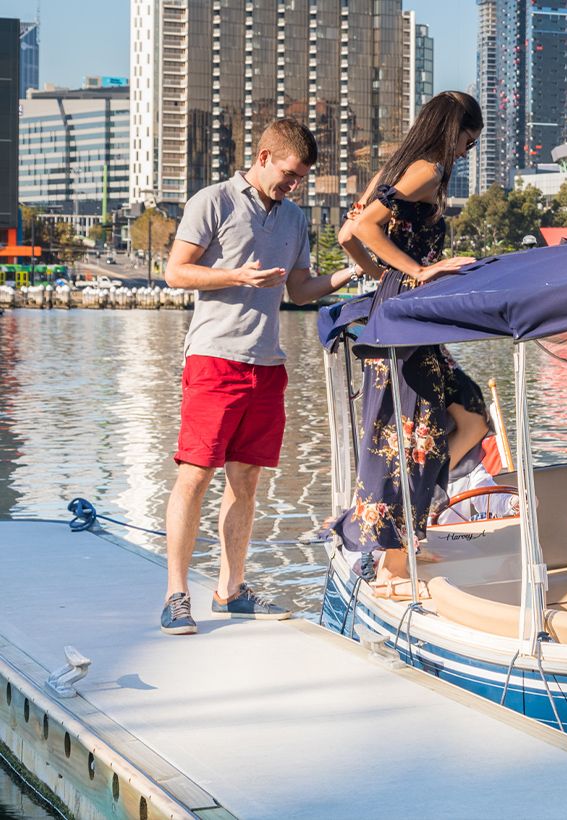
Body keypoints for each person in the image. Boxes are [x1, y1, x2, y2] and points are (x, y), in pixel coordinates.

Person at [160, 119, 357, 635]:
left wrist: (352, 273)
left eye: (301, 179)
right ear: (265, 155)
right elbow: (176, 272)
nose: (294, 186)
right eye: (290, 175)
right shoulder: (214, 200)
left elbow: (300, 291)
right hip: (214, 359)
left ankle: (231, 589)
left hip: (267, 365)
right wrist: (234, 275)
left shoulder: (294, 219)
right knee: (194, 477)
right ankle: (176, 595)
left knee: (246, 481)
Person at [332, 91, 488, 585]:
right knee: (411, 434)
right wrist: (418, 271)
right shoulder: (428, 171)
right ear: (453, 129)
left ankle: (405, 534)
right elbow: (363, 227)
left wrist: (383, 278)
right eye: (469, 139)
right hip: (407, 314)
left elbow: (346, 236)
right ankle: (395, 557)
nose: (468, 150)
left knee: (466, 416)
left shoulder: (395, 169)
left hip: (399, 310)